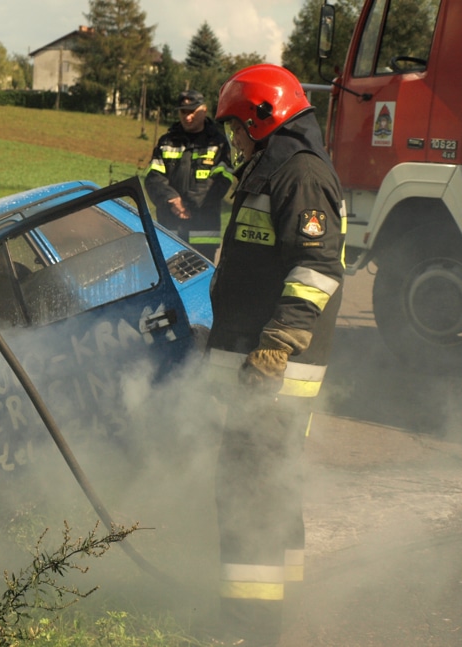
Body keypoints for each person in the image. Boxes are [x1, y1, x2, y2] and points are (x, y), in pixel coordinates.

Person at [205, 64, 346, 645]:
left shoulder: (301, 176)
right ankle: (284, 602)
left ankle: (251, 626)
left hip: (274, 366)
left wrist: (275, 347)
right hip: (259, 358)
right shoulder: (271, 170)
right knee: (272, 479)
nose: (234, 139)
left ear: (264, 117)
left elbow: (316, 270)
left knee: (251, 487)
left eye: (238, 127)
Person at [145, 88, 234, 260]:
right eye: (183, 112)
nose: (187, 117)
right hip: (169, 231)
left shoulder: (218, 143)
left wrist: (187, 203)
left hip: (203, 234)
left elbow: (222, 180)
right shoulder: (167, 141)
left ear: (204, 109)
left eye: (192, 111)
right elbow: (153, 176)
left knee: (200, 284)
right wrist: (172, 199)